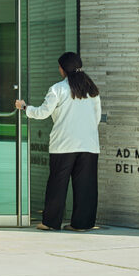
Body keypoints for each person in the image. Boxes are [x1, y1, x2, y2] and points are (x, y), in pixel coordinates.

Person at [15, 51, 101, 231]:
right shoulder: (92, 90)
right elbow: (96, 117)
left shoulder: (58, 89)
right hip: (89, 144)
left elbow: (43, 113)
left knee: (57, 185)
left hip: (63, 144)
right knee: (86, 187)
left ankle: (50, 222)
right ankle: (82, 224)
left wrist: (25, 107)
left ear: (62, 69)